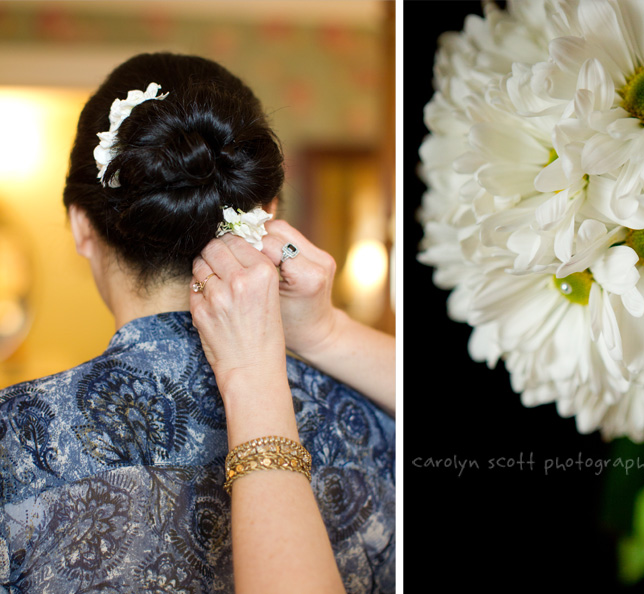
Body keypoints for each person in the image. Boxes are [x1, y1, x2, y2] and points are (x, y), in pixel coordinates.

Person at [0, 52, 395, 593]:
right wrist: (326, 332)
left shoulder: (13, 442)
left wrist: (325, 331)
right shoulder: (375, 423)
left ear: (81, 226)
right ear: (265, 215)